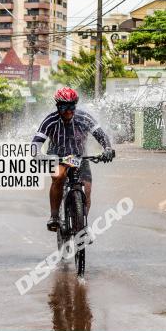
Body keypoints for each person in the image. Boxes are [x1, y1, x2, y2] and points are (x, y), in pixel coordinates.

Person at [31, 87, 115, 232]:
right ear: (58, 107)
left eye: (71, 107)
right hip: (58, 158)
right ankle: (55, 216)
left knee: (87, 190)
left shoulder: (84, 118)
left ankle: (81, 226)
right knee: (59, 176)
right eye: (64, 107)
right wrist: (39, 155)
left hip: (80, 158)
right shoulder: (50, 121)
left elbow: (101, 135)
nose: (68, 111)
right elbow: (35, 144)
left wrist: (107, 149)